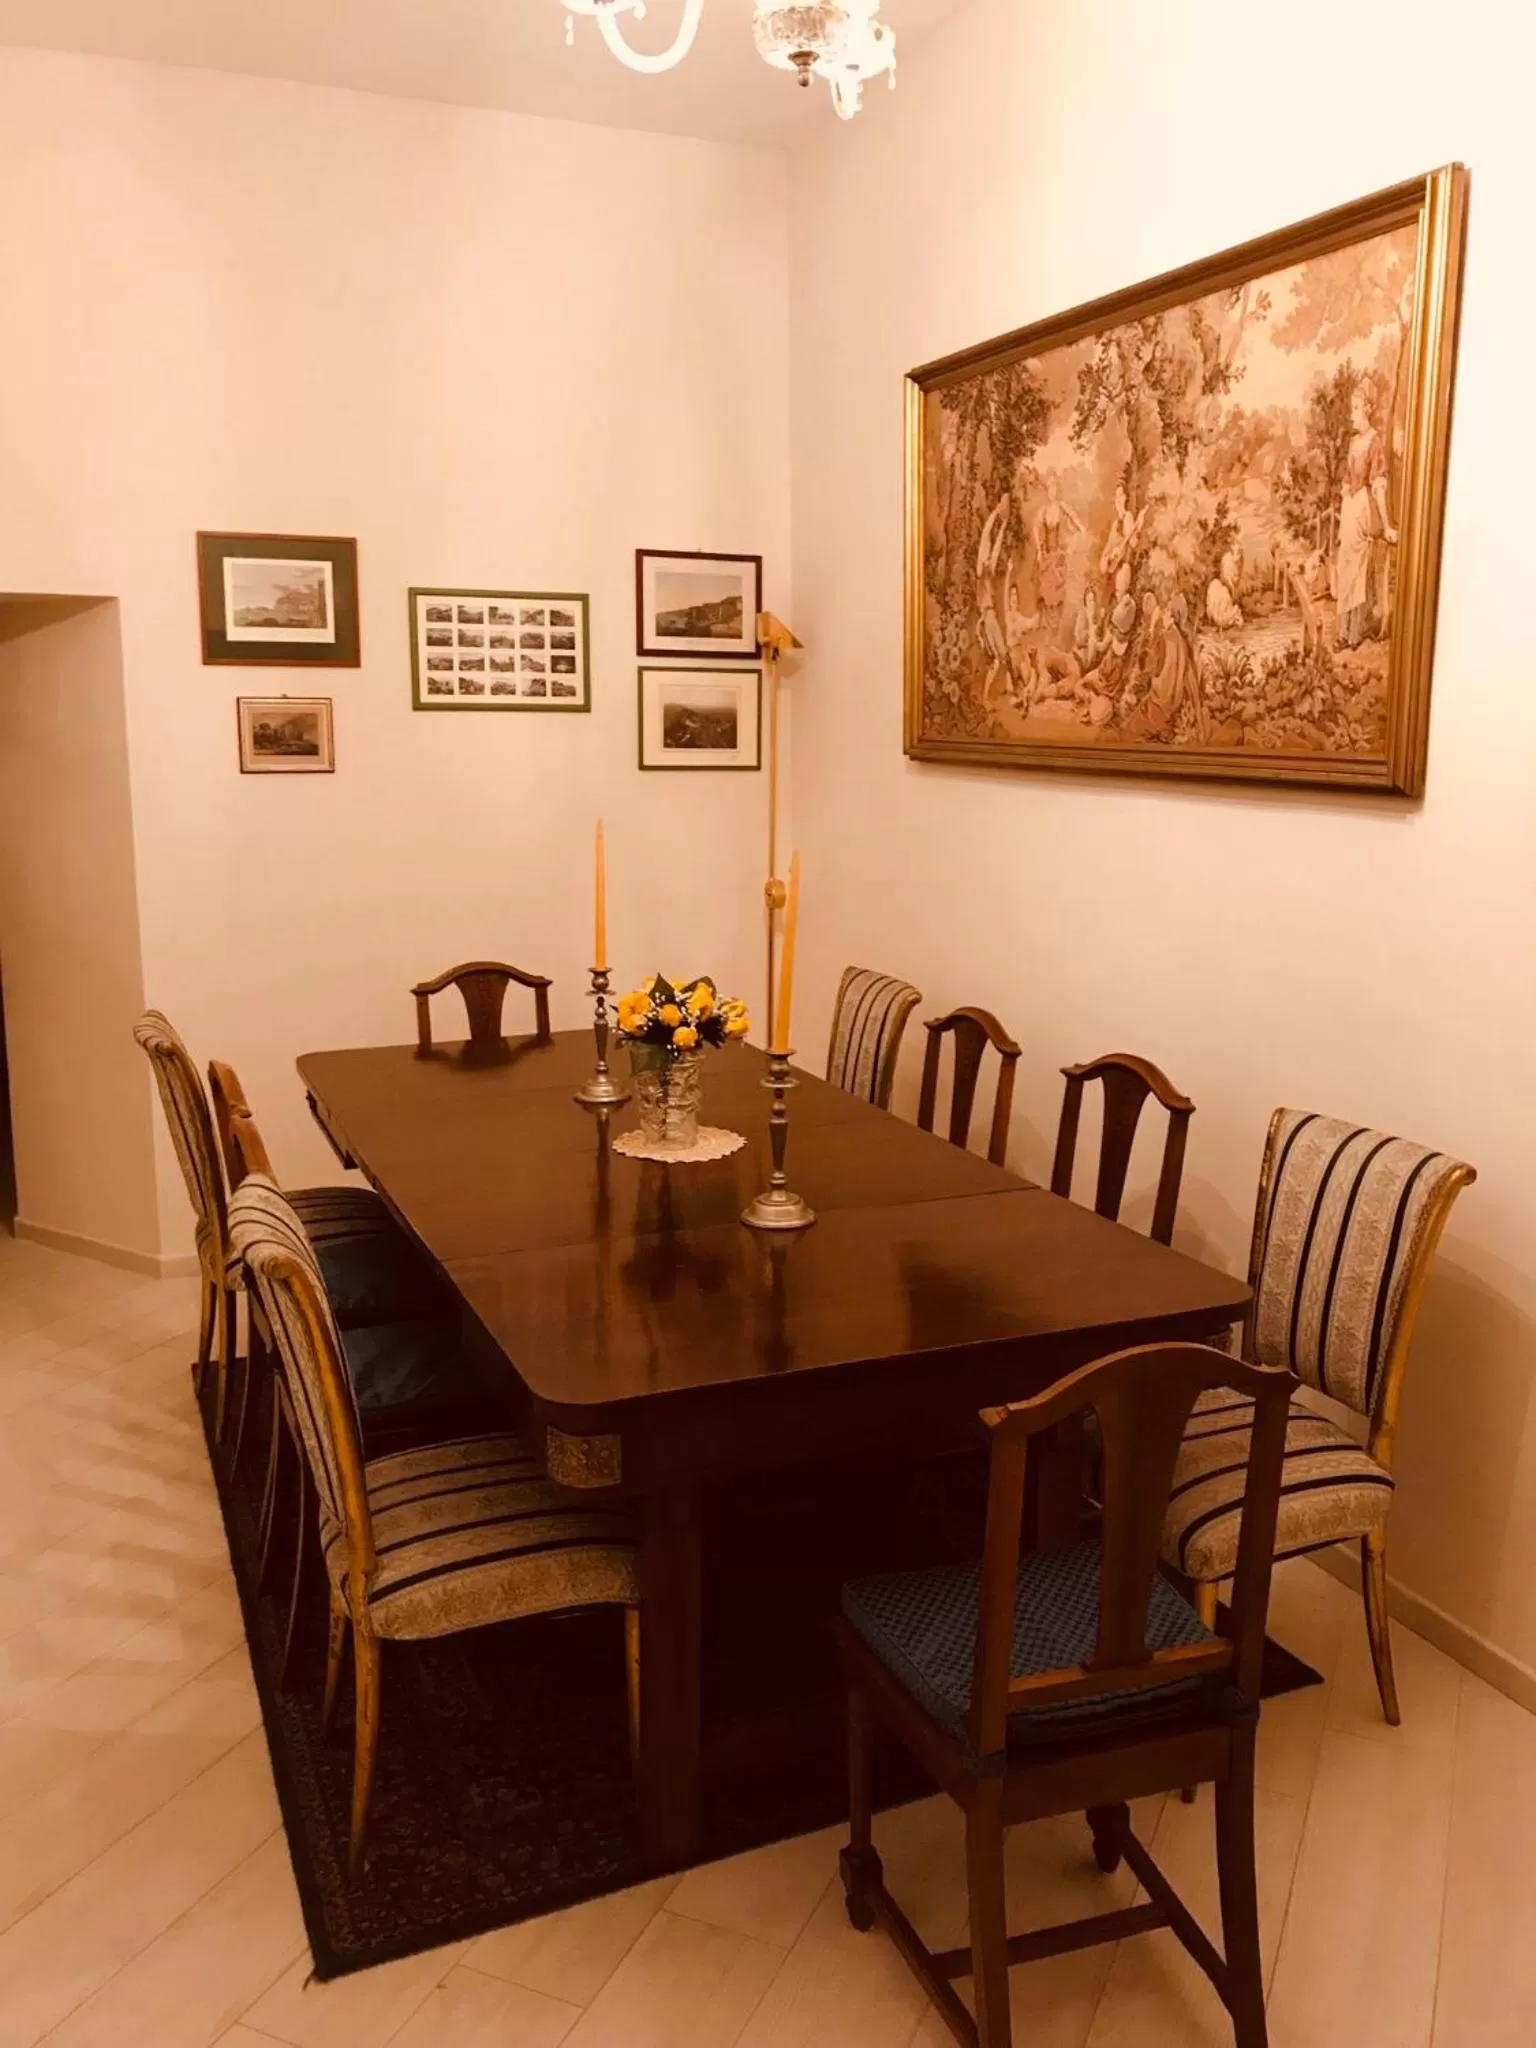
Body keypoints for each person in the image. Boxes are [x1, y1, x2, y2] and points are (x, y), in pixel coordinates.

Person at [1335, 376, 1396, 648]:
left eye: (1356, 408)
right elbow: (1348, 478)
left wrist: (1387, 525)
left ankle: (1354, 634)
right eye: (1351, 408)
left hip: (1363, 511)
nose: (1351, 415)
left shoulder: (1374, 442)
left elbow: (1379, 487)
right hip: (1350, 510)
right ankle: (1343, 632)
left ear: (1368, 408)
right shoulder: (1353, 443)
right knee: (1345, 568)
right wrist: (1346, 491)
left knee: (1358, 570)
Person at [1031, 473, 1083, 635]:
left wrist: (1070, 548)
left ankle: (1056, 632)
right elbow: (1035, 528)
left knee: (1058, 594)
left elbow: (1081, 528)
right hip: (1047, 557)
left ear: (1057, 489)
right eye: (1049, 487)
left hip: (1058, 557)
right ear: (1047, 490)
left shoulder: (1062, 507)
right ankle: (1046, 631)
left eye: (1054, 487)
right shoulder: (1044, 510)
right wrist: (1039, 549)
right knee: (1046, 596)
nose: (1052, 491)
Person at [975, 493, 1012, 701]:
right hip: (987, 618)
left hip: (991, 617)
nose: (989, 556)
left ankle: (994, 695)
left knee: (1002, 658)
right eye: (986, 555)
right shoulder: (981, 573)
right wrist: (995, 513)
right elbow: (985, 537)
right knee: (1000, 658)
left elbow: (995, 549)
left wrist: (1004, 525)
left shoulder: (987, 571)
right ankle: (987, 698)